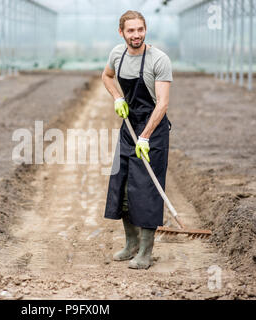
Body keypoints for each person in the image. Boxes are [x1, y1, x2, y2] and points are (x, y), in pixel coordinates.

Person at [101, 10, 173, 269]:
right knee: (122, 185)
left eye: (140, 29)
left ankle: (145, 252)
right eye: (130, 30)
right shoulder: (116, 55)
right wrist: (117, 97)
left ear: (145, 30)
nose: (136, 35)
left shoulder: (159, 59)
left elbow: (162, 103)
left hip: (152, 131)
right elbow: (106, 76)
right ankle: (131, 244)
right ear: (121, 32)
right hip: (129, 126)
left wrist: (145, 137)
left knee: (146, 189)